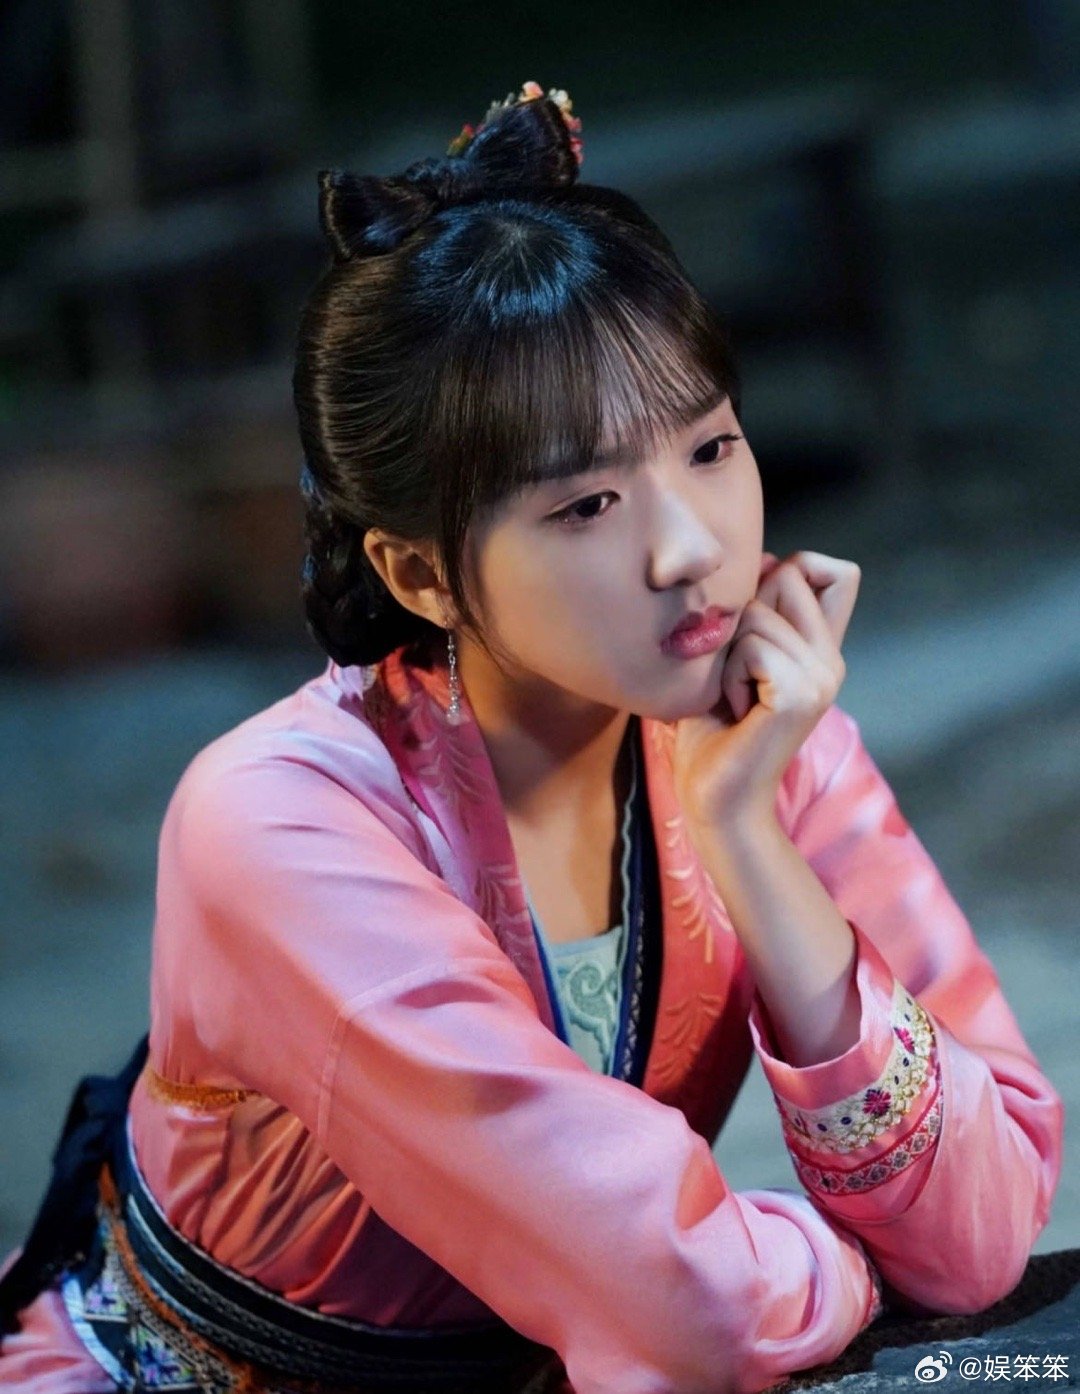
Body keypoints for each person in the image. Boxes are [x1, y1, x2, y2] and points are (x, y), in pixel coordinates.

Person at [0, 80, 1063, 1394]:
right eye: (586, 504)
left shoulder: (763, 744)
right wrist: (847, 1261)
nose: (691, 549)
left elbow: (978, 1239)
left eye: (711, 448)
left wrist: (746, 833)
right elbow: (693, 1312)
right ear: (420, 572)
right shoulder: (277, 823)